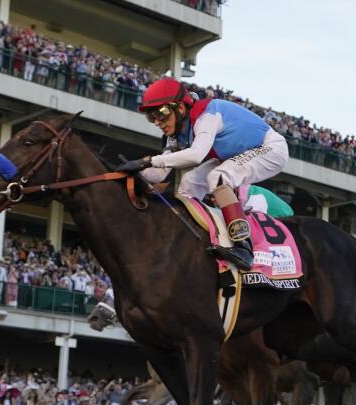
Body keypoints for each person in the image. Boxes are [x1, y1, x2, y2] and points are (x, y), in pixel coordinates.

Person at [119, 77, 289, 270]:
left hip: (270, 148)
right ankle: (187, 237)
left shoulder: (207, 115)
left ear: (180, 108)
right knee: (189, 182)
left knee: (218, 176)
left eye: (162, 113)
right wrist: (128, 172)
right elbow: (159, 174)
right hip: (235, 155)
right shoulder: (175, 135)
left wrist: (147, 161)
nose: (157, 121)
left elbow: (196, 155)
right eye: (152, 117)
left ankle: (244, 247)